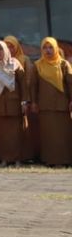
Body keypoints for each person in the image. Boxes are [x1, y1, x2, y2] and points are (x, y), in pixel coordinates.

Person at [30, 37, 72, 166]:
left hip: (62, 106)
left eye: (50, 47)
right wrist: (34, 102)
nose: (48, 50)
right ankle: (50, 160)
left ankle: (66, 160)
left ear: (56, 48)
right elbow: (33, 86)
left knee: (64, 134)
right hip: (45, 107)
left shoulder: (64, 64)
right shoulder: (37, 65)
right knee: (48, 135)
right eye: (45, 48)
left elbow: (70, 84)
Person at [3, 34, 38, 162]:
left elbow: (28, 81)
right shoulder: (0, 61)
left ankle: (26, 156)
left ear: (17, 47)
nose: (9, 49)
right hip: (7, 103)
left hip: (22, 100)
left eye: (11, 46)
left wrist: (26, 100)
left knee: (24, 128)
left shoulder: (24, 60)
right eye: (6, 47)